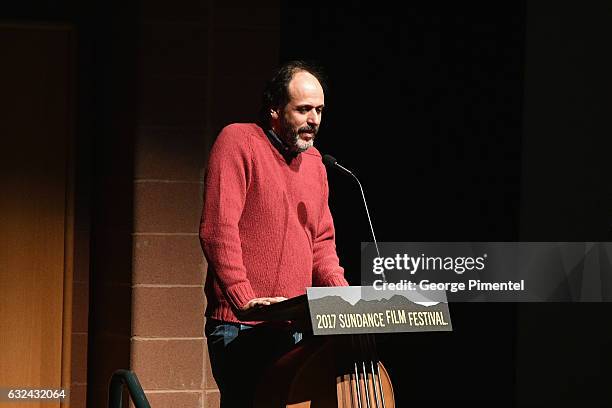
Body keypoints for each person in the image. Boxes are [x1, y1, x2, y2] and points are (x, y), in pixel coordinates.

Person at [199, 60, 348, 407]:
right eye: (304, 109)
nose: (315, 120)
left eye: (320, 110)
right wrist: (244, 298)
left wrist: (346, 304)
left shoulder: (315, 165)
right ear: (274, 110)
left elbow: (322, 246)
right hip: (242, 325)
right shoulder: (238, 140)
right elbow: (217, 230)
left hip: (294, 327)